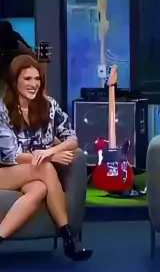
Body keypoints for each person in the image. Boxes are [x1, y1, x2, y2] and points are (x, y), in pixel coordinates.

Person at [0, 54, 92, 261]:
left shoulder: (49, 106)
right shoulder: (2, 111)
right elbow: (12, 155)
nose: (33, 84)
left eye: (37, 79)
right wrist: (50, 159)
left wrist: (50, 152)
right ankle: (68, 238)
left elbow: (72, 138)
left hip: (33, 172)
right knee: (46, 169)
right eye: (27, 79)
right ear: (14, 82)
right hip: (5, 171)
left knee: (40, 188)